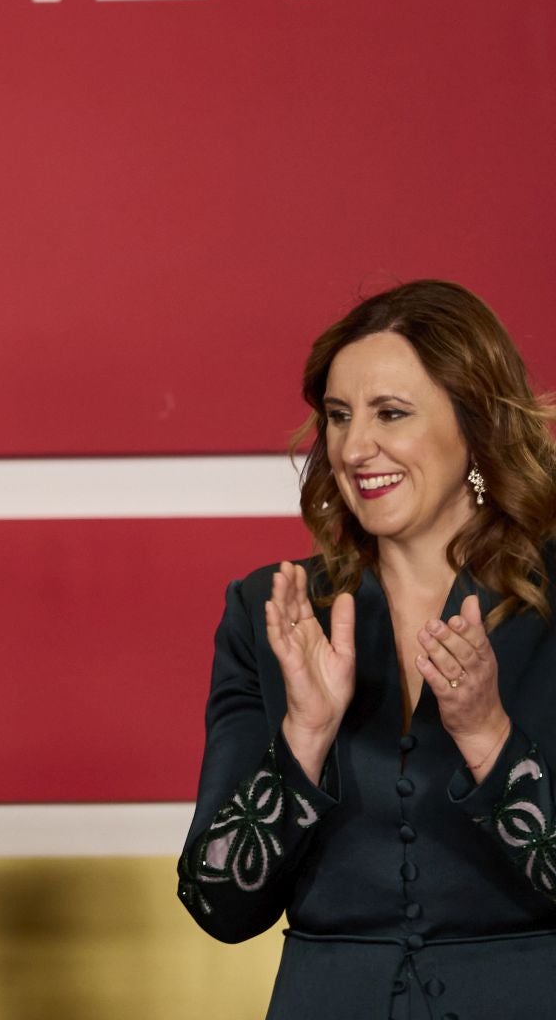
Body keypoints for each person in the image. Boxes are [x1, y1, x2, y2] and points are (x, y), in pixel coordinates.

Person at [178, 280, 556, 1017]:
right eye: (340, 417)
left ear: (475, 428)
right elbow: (217, 901)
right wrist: (304, 740)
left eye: (392, 414)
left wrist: (489, 737)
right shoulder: (273, 611)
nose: (355, 449)